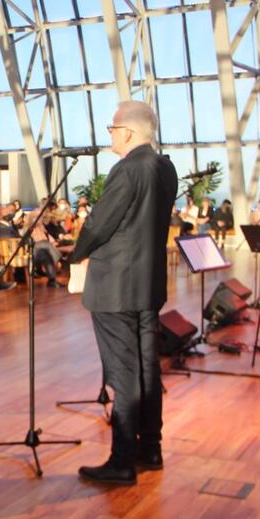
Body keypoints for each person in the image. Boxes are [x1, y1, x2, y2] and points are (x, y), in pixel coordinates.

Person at [70, 100, 177, 485]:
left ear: (128, 132)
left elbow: (100, 224)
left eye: (112, 128)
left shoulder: (127, 169)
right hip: (148, 285)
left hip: (116, 288)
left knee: (123, 371)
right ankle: (151, 448)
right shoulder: (165, 168)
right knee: (147, 367)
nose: (110, 135)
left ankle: (121, 461)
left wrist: (77, 253)